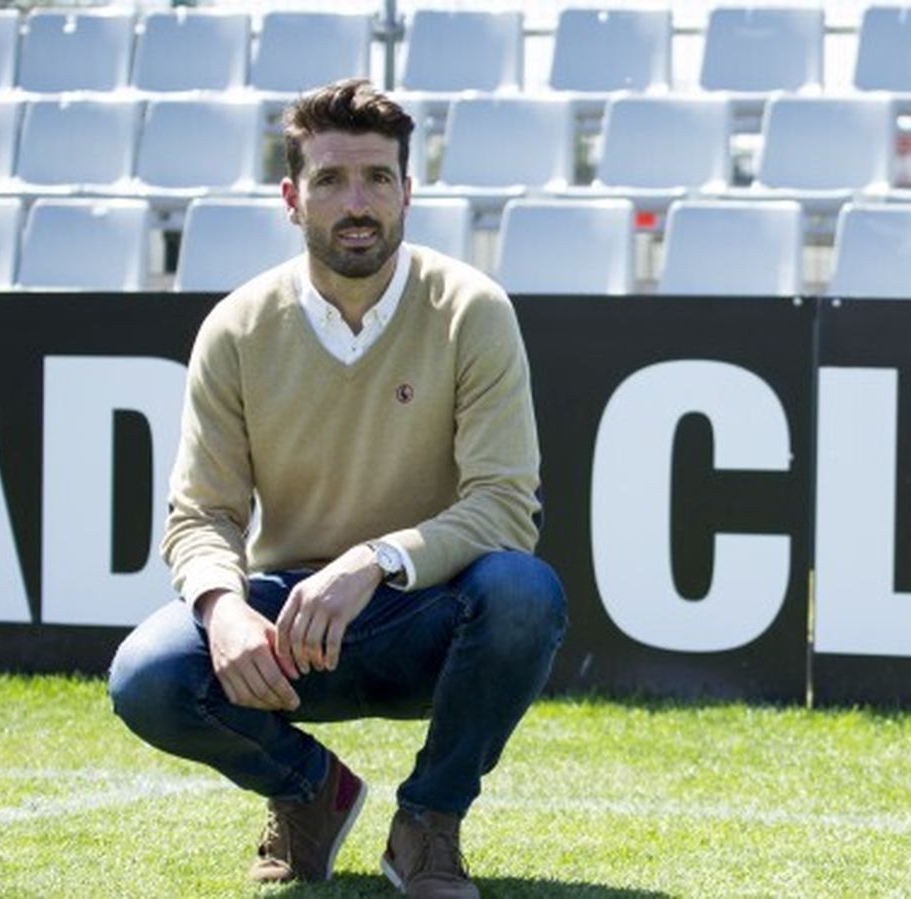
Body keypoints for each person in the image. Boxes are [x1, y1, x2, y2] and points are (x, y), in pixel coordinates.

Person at [106, 79, 567, 899]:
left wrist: (372, 563)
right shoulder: (238, 327)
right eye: (330, 180)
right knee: (146, 672)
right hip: (286, 633)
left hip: (424, 613)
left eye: (377, 179)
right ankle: (310, 792)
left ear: (407, 193)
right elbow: (200, 515)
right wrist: (224, 607)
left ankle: (428, 824)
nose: (357, 203)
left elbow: (504, 505)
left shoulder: (472, 310)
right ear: (292, 198)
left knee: (524, 590)